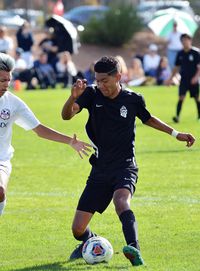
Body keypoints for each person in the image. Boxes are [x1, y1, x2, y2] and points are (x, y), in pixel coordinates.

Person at [61, 56, 195, 266]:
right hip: (100, 169)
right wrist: (72, 98)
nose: (100, 85)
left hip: (125, 166)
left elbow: (148, 118)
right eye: (97, 80)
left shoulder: (133, 99)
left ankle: (135, 250)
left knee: (121, 202)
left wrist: (175, 133)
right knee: (77, 229)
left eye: (105, 80)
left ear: (118, 77)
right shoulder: (91, 94)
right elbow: (66, 116)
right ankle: (90, 242)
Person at [0, 53, 91, 216]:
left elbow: (39, 129)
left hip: (1, 159)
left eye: (9, 79)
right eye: (2, 80)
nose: (7, 84)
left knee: (0, 191)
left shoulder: (13, 103)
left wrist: (70, 141)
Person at [166, 33, 200, 123]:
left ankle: (199, 116)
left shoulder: (196, 53)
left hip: (193, 80)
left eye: (186, 40)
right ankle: (177, 117)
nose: (185, 42)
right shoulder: (180, 54)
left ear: (190, 41)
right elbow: (176, 67)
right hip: (184, 79)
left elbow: (199, 67)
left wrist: (196, 77)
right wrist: (170, 79)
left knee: (196, 98)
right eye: (183, 40)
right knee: (181, 97)